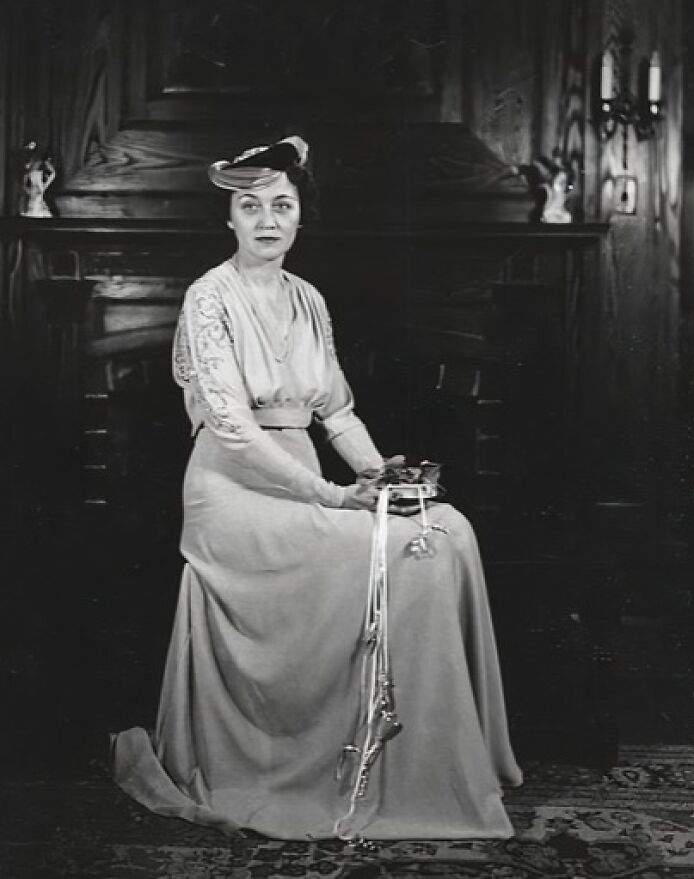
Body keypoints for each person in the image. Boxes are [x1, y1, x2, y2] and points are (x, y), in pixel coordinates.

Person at [112, 135, 522, 843]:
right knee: (408, 547)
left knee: (444, 528)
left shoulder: (308, 298)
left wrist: (376, 473)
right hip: (232, 495)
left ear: (301, 217)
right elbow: (235, 430)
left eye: (281, 205)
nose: (266, 219)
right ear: (230, 219)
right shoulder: (209, 296)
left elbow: (336, 410)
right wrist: (333, 497)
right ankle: (345, 765)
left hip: (301, 480)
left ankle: (431, 759)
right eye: (250, 206)